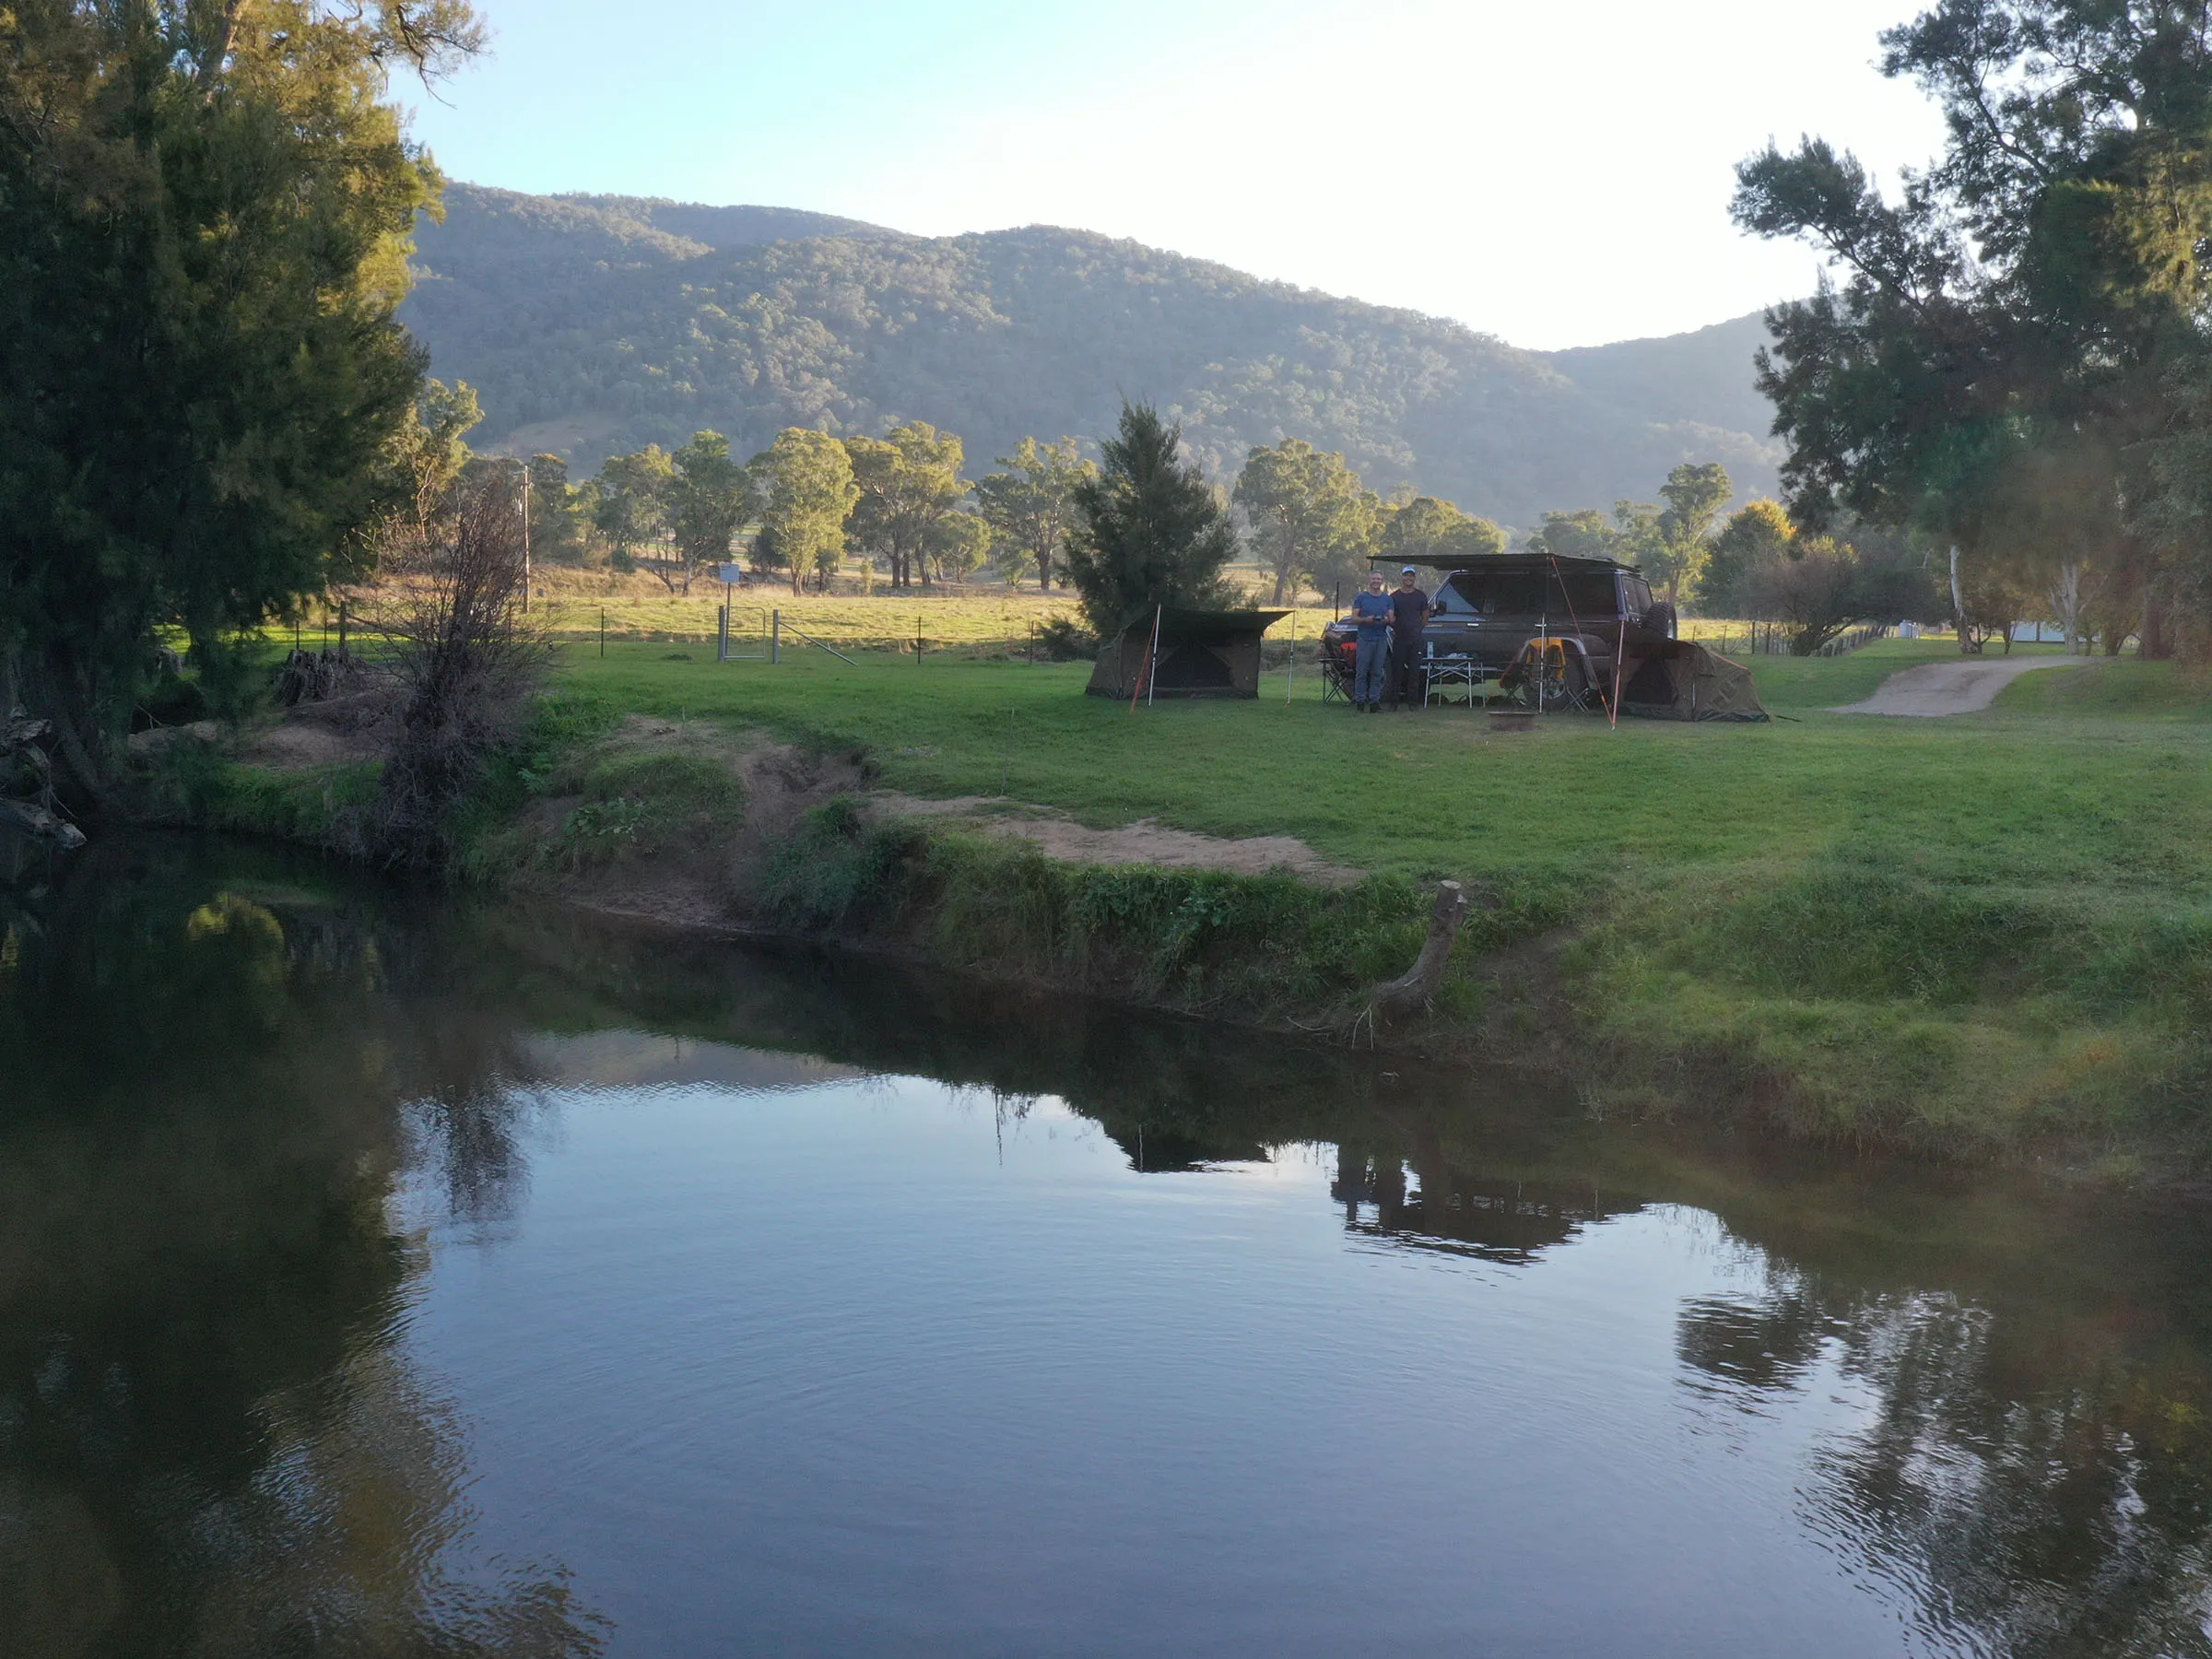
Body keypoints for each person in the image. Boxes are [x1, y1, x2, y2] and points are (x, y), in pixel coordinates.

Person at [1386, 565, 1431, 709]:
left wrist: (1417, 629)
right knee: (1397, 671)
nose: (1409, 578)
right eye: (1406, 575)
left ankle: (1412, 703)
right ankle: (1394, 702)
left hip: (1416, 640)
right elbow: (1391, 617)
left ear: (1414, 578)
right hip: (1399, 639)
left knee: (1414, 672)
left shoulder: (1421, 596)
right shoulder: (1394, 597)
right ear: (1402, 577)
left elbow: (1425, 618)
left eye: (1411, 576)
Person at [1350, 571, 1392, 711]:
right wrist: (1365, 620)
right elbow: (1354, 618)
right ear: (1369, 580)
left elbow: (1391, 618)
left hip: (1381, 638)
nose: (1376, 581)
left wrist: (1386, 620)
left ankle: (1375, 701)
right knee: (1362, 671)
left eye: (1379, 579)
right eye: (1374, 578)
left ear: (1382, 581)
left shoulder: (1387, 599)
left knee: (1377, 671)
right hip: (1365, 638)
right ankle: (1360, 700)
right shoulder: (1361, 597)